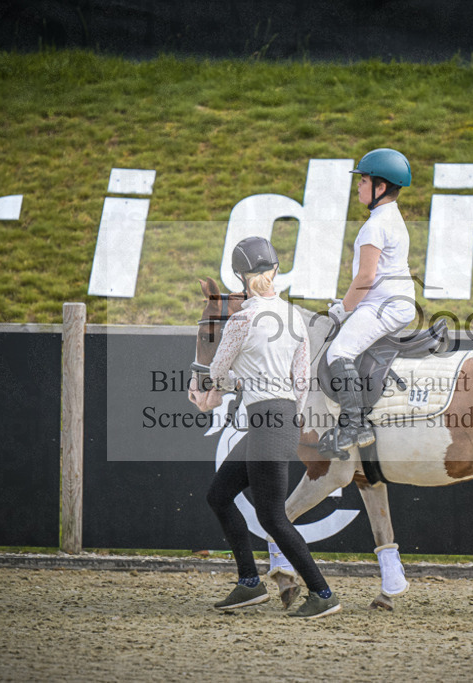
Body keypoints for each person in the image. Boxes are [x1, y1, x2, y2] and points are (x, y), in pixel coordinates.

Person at [190, 236, 341, 619]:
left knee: (272, 516)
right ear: (274, 270)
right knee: (219, 495)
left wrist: (216, 391)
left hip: (266, 422)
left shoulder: (241, 319)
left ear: (241, 277)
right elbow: (301, 379)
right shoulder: (293, 316)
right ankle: (249, 584)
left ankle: (323, 593)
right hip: (282, 418)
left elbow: (218, 371)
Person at [325, 148, 417, 454]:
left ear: (380, 187)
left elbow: (365, 278)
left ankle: (354, 426)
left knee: (338, 352)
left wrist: (342, 309)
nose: (359, 187)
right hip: (389, 301)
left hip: (385, 306)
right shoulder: (391, 217)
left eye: (363, 181)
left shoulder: (375, 225)